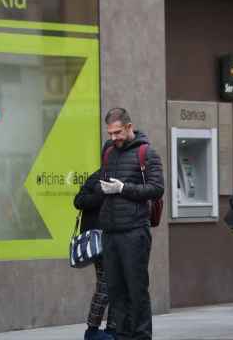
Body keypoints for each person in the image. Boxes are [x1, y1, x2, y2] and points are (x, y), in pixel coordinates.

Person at [98, 107, 164, 340]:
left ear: (129, 127)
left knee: (136, 290)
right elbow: (101, 182)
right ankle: (122, 336)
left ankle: (142, 336)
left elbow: (157, 189)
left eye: (117, 133)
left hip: (135, 231)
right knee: (115, 291)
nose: (113, 138)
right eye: (110, 133)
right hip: (111, 231)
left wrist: (123, 188)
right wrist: (102, 189)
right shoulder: (108, 151)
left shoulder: (147, 153)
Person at [74, 169, 116, 340]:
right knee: (105, 286)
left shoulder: (122, 174)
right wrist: (101, 194)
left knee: (117, 287)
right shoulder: (98, 177)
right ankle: (91, 331)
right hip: (99, 241)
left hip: (117, 239)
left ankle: (113, 329)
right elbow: (78, 201)